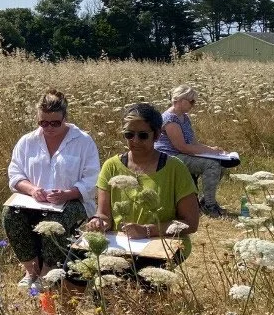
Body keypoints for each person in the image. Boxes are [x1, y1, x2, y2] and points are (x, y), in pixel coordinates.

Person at [3, 90, 100, 288]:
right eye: (43, 123)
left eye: (55, 123)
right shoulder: (27, 141)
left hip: (75, 201)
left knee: (55, 221)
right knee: (9, 214)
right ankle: (31, 270)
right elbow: (15, 175)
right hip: (34, 201)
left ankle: (48, 272)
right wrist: (31, 189)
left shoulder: (83, 141)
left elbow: (92, 179)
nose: (48, 127)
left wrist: (68, 193)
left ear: (65, 117)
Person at [85, 104, 200, 262]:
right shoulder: (111, 166)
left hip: (163, 241)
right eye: (129, 134)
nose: (135, 141)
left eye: (143, 135)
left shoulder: (175, 169)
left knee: (141, 277)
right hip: (119, 242)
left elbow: (190, 224)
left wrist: (147, 231)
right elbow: (104, 215)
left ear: (157, 135)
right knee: (73, 269)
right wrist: (98, 223)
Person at [155, 85, 230, 217]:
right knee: (211, 164)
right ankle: (209, 206)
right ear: (180, 100)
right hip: (170, 157)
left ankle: (205, 200)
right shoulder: (169, 119)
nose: (194, 105)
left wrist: (212, 150)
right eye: (192, 101)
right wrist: (210, 153)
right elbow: (181, 147)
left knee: (221, 163)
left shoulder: (184, 117)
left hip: (181, 154)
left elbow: (193, 143)